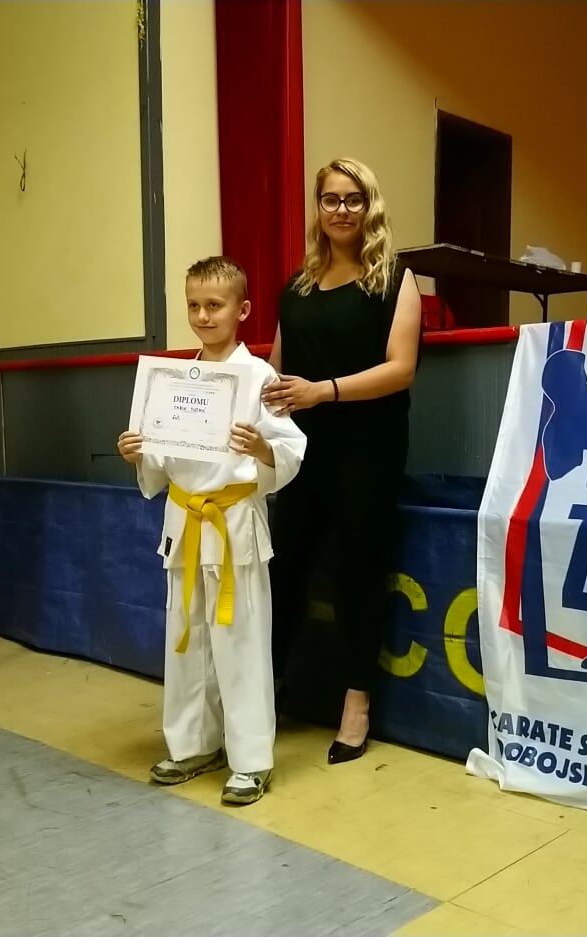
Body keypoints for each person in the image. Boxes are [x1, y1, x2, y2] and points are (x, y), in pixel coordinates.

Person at [117, 256, 306, 806]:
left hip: (233, 522)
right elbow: (159, 456)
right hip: (184, 520)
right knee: (187, 638)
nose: (203, 316)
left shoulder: (259, 376)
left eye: (215, 305)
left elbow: (291, 449)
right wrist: (138, 451)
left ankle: (251, 759)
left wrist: (263, 448)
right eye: (194, 305)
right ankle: (193, 744)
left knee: (241, 642)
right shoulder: (173, 380)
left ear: (242, 310)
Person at [264, 158, 422, 764]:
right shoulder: (297, 287)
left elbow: (400, 370)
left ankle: (357, 705)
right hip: (301, 453)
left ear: (369, 206)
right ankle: (266, 691)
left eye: (353, 199)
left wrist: (322, 392)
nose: (341, 210)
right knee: (284, 570)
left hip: (368, 450)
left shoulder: (395, 279)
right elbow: (275, 370)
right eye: (330, 199)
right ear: (318, 208)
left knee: (360, 574)